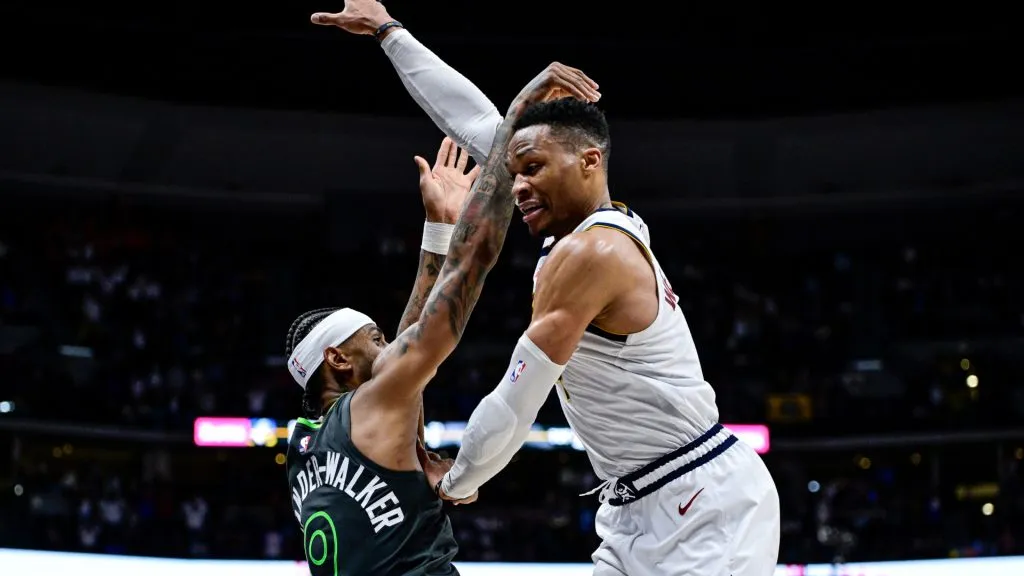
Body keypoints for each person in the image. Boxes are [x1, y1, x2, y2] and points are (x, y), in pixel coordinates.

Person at [312, 4, 781, 576]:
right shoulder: (583, 227)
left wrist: (458, 479)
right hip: (632, 504)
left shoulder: (592, 253)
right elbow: (476, 123)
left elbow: (518, 400)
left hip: (702, 505)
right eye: (514, 172)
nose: (519, 185)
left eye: (532, 168)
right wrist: (391, 34)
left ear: (590, 160)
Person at [284, 64, 600, 576]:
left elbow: (404, 350)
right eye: (375, 337)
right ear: (338, 359)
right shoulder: (376, 403)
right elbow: (469, 263)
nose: (389, 343)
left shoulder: (306, 445)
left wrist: (436, 228)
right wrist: (513, 129)